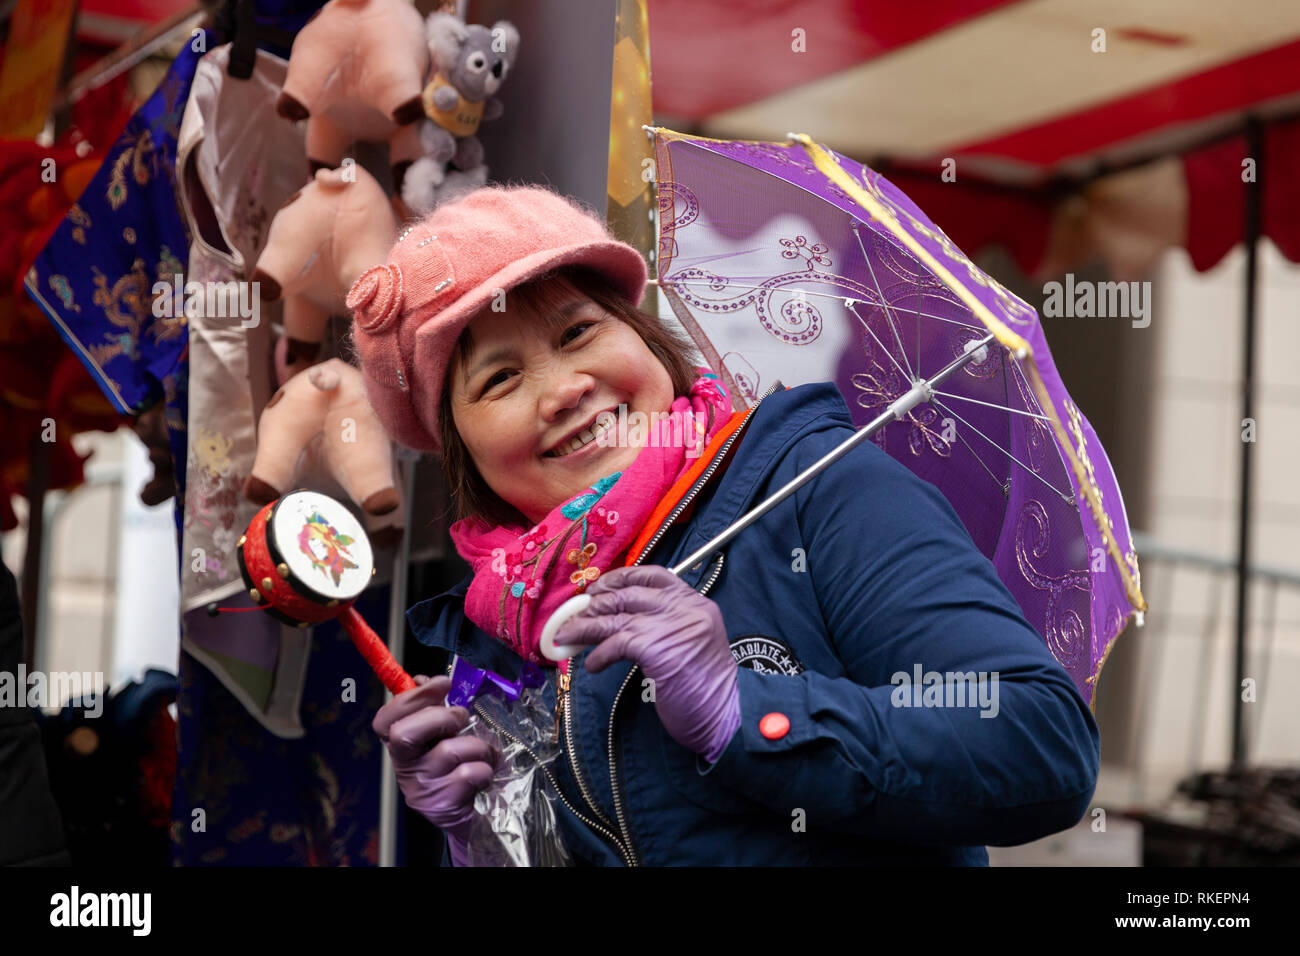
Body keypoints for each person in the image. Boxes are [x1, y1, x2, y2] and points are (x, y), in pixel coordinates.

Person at [350, 185, 1100, 866]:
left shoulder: (817, 490)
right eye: (500, 380)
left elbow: (1041, 745)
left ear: (643, 337)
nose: (564, 389)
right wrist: (474, 835)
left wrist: (743, 713)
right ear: (463, 454)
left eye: (578, 332)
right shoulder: (496, 631)